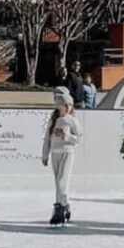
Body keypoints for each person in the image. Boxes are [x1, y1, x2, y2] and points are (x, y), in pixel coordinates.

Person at [41, 87, 83, 225]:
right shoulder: (53, 120)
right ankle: (65, 206)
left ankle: (59, 209)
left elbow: (79, 138)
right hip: (55, 154)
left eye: (70, 105)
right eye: (66, 105)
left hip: (67, 153)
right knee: (58, 183)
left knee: (62, 182)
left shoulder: (72, 121)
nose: (69, 107)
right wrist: (45, 155)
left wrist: (67, 136)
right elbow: (47, 138)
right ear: (61, 106)